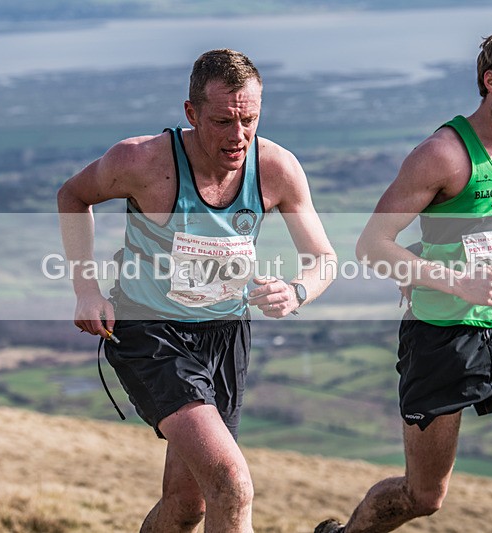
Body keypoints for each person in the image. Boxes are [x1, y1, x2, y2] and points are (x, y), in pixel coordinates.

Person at [315, 20, 492, 533]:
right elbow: (372, 245)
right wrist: (454, 282)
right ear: (491, 81)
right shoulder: (442, 155)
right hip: (441, 342)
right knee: (423, 495)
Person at [58, 49, 336, 533]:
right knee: (232, 483)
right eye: (223, 121)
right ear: (191, 114)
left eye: (249, 119)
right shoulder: (141, 160)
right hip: (151, 332)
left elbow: (324, 260)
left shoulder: (276, 169)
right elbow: (73, 195)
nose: (238, 136)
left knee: (189, 505)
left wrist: (297, 292)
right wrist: (86, 288)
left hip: (225, 335)